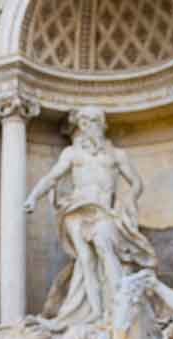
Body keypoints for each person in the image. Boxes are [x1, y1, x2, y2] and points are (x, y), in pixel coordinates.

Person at [24, 106, 157, 327]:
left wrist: (129, 200)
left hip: (103, 210)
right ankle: (95, 311)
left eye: (93, 121)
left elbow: (136, 182)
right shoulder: (72, 153)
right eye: (84, 122)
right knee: (85, 259)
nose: (88, 126)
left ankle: (117, 305)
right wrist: (33, 197)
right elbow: (52, 178)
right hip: (76, 208)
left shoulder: (116, 154)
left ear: (102, 124)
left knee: (105, 248)